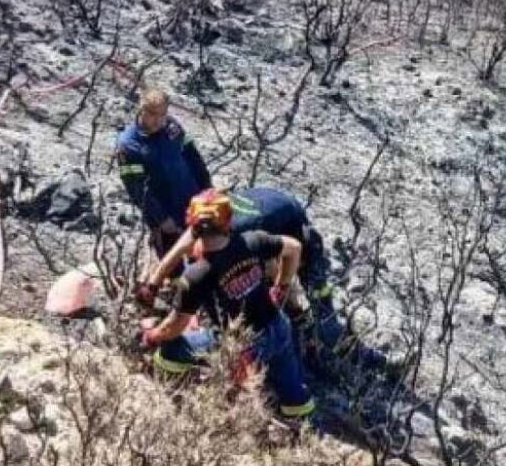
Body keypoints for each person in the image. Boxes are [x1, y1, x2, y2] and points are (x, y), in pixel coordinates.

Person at [134, 186, 379, 373]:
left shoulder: (244, 238)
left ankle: (347, 356)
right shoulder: (210, 224)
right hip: (270, 203)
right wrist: (153, 283)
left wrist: (280, 290)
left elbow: (281, 262)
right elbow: (180, 248)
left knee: (320, 310)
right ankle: (296, 334)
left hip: (292, 226)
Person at [136, 188, 316, 423]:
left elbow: (174, 327)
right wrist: (281, 286)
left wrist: (152, 336)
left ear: (192, 225)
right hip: (277, 327)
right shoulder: (253, 240)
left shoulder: (197, 276)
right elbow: (293, 247)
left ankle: (172, 390)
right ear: (228, 221)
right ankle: (301, 419)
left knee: (171, 348)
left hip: (242, 344)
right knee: (295, 396)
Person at [116, 88, 213, 258]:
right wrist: (162, 219)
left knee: (206, 256)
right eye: (153, 114)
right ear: (141, 110)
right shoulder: (128, 145)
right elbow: (137, 190)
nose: (158, 121)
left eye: (163, 114)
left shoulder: (171, 127)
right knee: (173, 264)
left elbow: (193, 157)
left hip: (194, 203)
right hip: (166, 215)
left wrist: (208, 189)